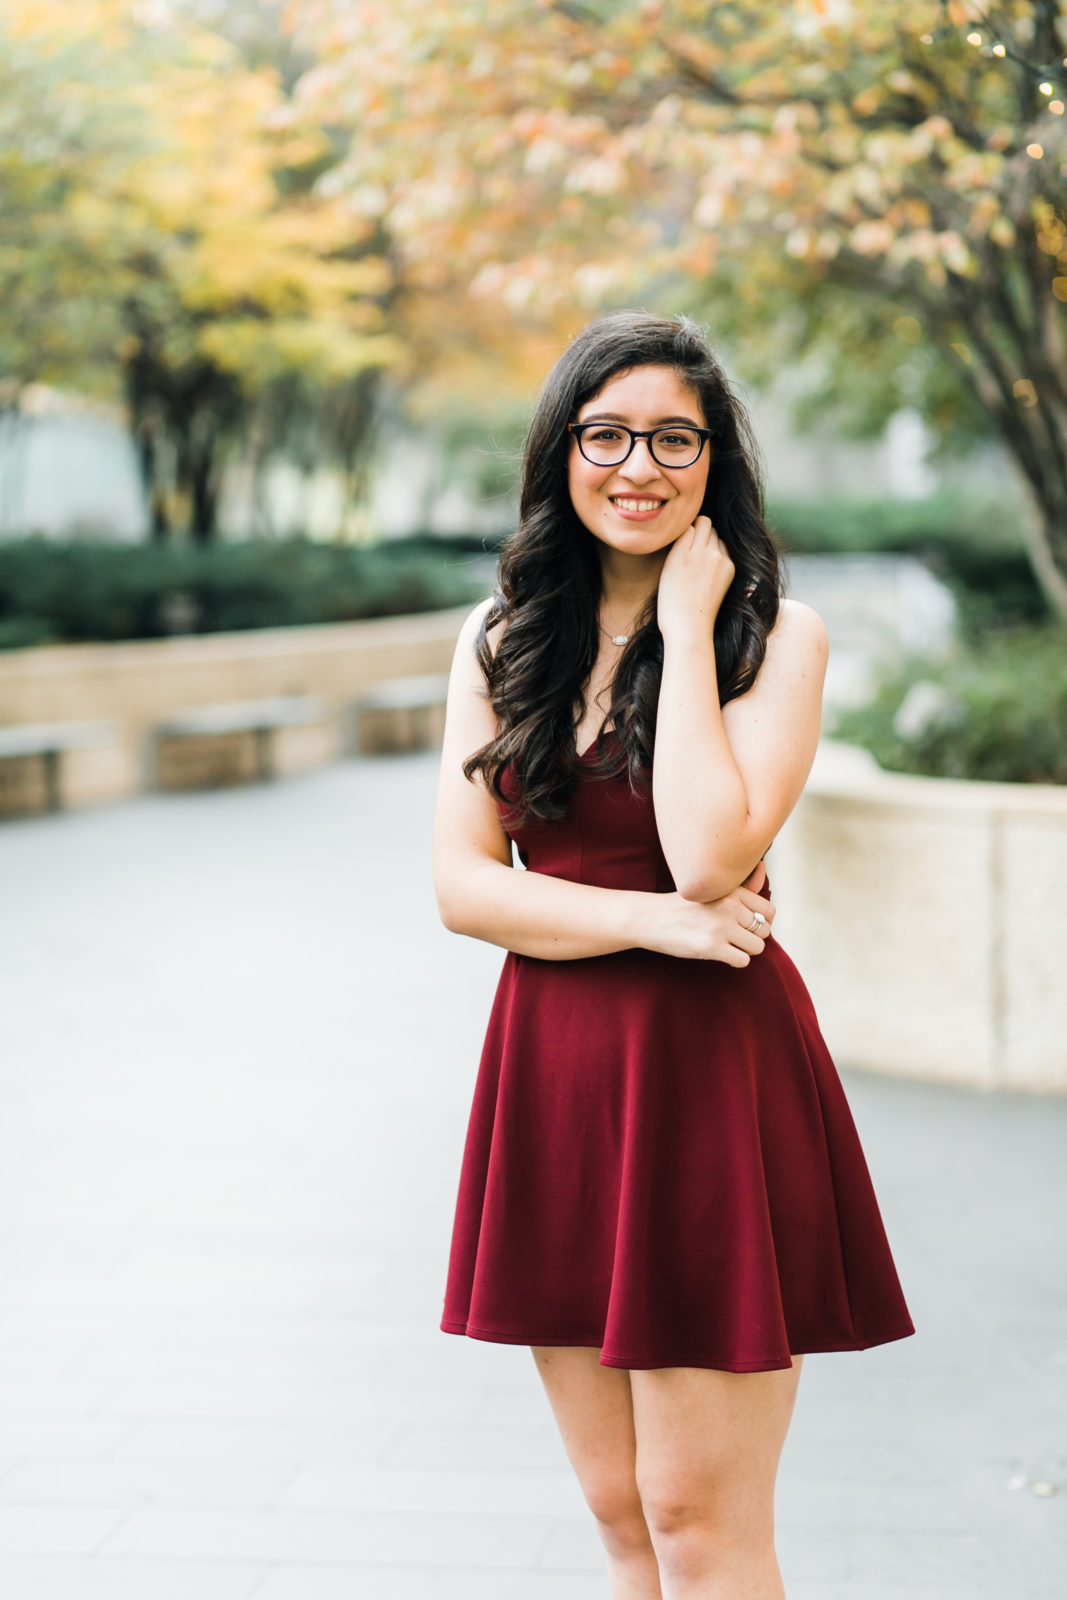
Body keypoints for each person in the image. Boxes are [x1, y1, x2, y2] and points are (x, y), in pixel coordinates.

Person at [432, 310, 914, 1600]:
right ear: (561, 453)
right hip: (558, 1077)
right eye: (605, 435)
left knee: (697, 1519)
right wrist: (651, 924)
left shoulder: (775, 640)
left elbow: (709, 857)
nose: (637, 467)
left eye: (673, 439)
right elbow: (464, 888)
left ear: (716, 466)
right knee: (619, 1514)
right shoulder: (500, 643)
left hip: (710, 1079)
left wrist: (689, 630)